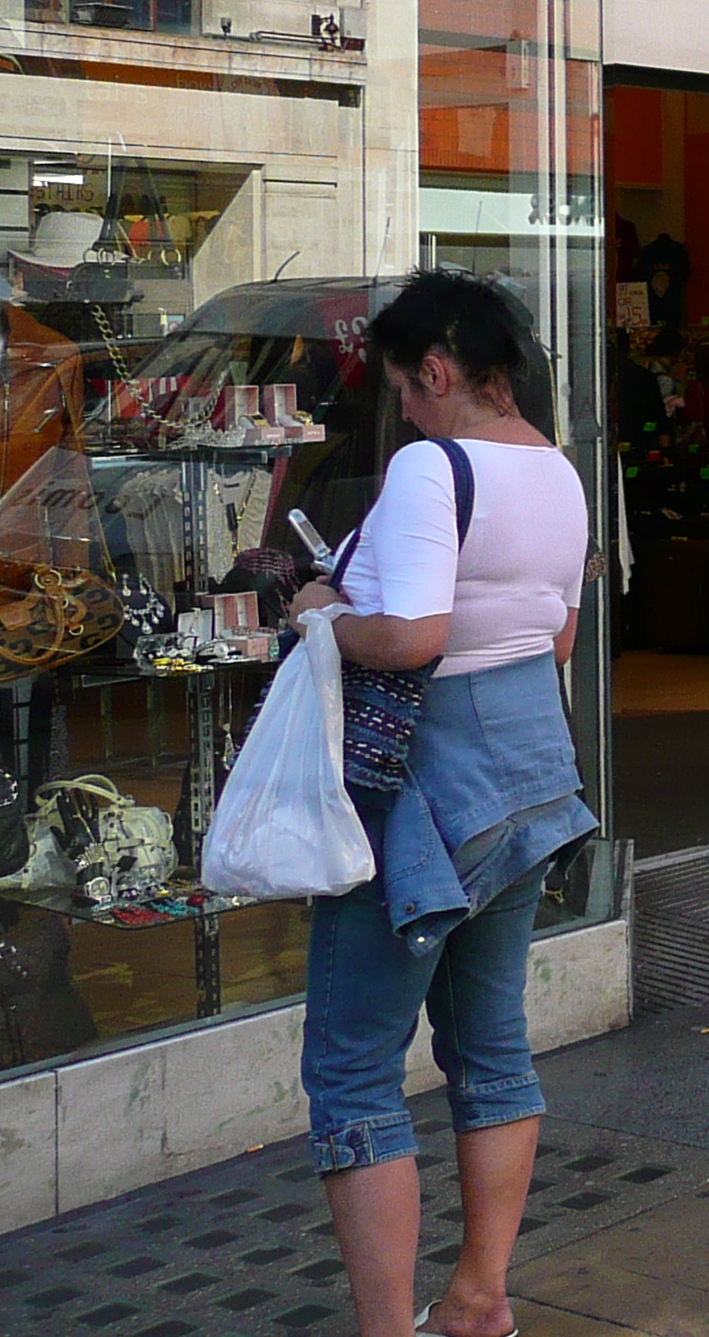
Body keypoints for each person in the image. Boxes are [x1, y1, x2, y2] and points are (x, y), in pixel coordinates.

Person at [287, 271, 595, 1337]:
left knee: (352, 1066)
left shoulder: (432, 464)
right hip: (531, 774)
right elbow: (555, 636)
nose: (403, 412)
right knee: (492, 1049)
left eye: (404, 390)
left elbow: (414, 635)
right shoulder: (558, 469)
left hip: (426, 784)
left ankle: (388, 1328)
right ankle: (478, 1295)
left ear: (439, 369)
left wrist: (323, 616)